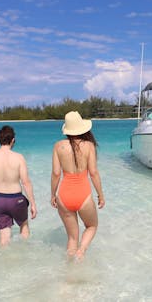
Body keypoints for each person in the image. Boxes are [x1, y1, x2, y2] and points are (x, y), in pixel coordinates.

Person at [51, 111, 105, 261]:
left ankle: (70, 274)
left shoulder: (58, 146)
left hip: (64, 194)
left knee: (72, 239)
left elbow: (56, 173)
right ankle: (81, 252)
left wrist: (52, 195)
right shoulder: (89, 146)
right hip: (83, 195)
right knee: (91, 227)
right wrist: (100, 194)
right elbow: (93, 173)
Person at [0, 125, 37, 246]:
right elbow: (26, 182)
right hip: (16, 199)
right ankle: (24, 256)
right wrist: (33, 204)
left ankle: (4, 262)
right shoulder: (18, 157)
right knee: (24, 226)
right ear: (12, 140)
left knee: (4, 238)